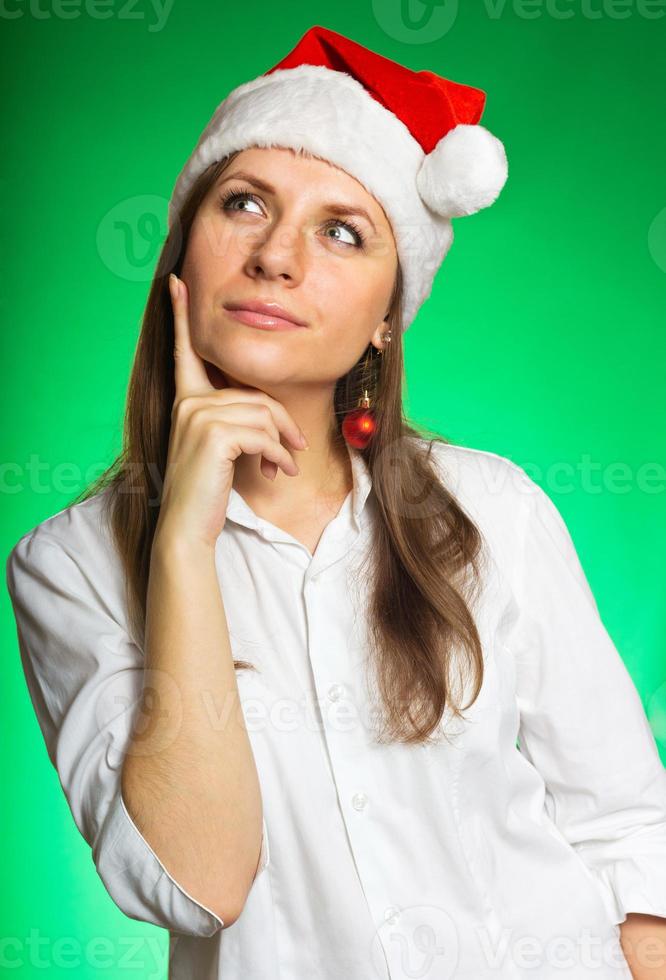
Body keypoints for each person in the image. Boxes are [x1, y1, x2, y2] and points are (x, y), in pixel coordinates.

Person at [6, 24, 666, 980]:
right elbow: (198, 884)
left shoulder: (493, 509)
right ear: (181, 261)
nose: (277, 257)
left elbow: (627, 828)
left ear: (386, 321)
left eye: (341, 231)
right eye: (243, 204)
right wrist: (184, 545)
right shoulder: (69, 565)